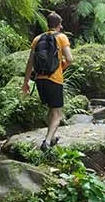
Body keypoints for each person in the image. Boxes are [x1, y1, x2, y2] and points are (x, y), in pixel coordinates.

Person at [22, 12, 73, 151]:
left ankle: (52, 136)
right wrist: (60, 68)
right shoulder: (62, 37)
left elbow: (30, 62)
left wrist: (26, 82)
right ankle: (48, 141)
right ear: (58, 25)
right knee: (57, 113)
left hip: (40, 79)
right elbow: (69, 58)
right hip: (54, 79)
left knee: (51, 110)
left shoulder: (37, 39)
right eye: (61, 24)